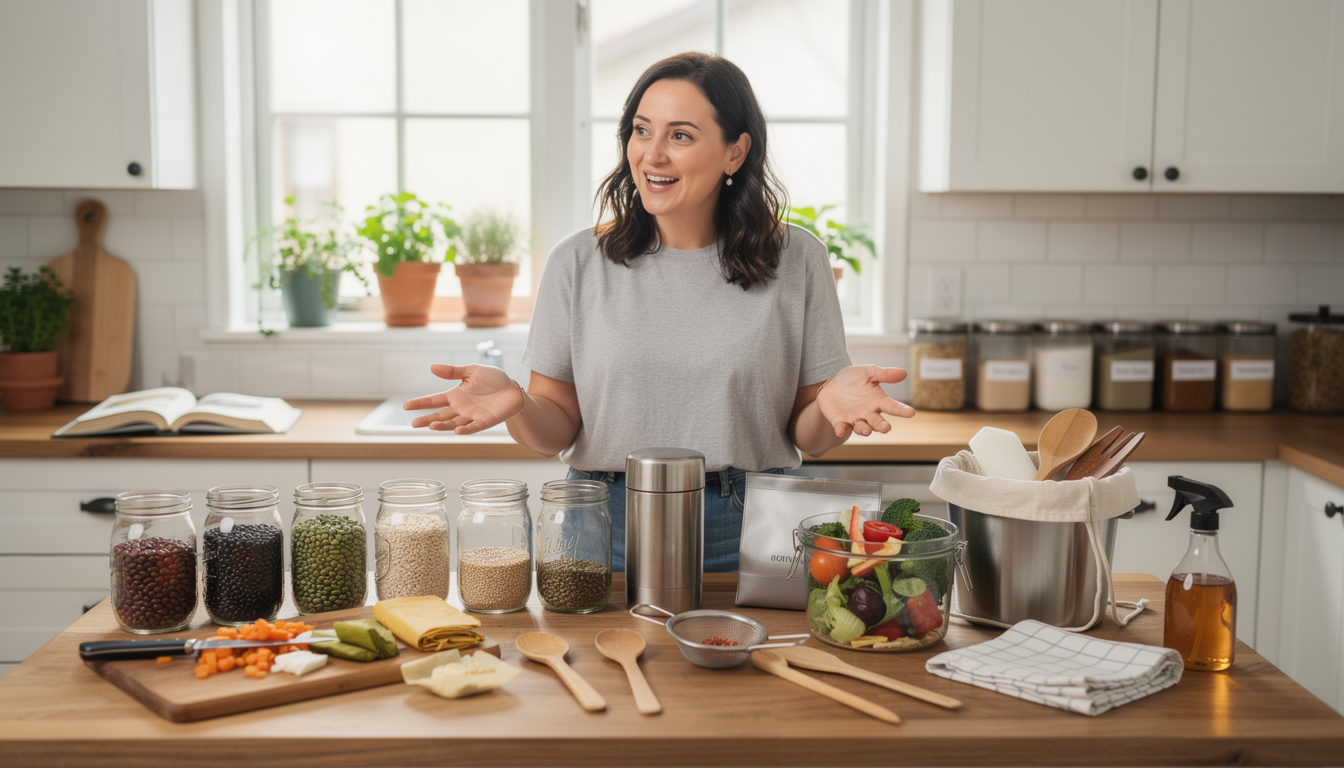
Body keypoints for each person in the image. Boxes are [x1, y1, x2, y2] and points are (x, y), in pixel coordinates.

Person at [405, 52, 914, 571]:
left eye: (681, 136)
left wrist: (832, 409)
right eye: (641, 130)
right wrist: (517, 404)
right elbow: (555, 428)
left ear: (735, 153)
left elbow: (808, 436)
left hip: (748, 522)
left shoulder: (798, 259)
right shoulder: (577, 262)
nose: (652, 155)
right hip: (600, 521)